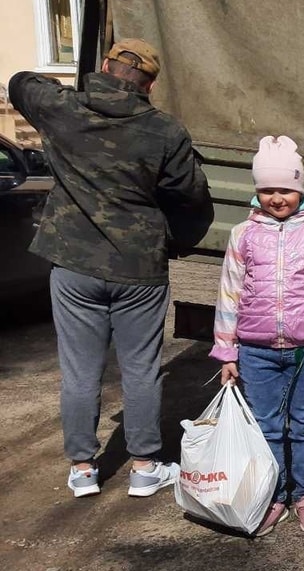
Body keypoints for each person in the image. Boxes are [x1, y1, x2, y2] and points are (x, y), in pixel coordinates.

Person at [8, 39, 214, 499]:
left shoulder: (62, 109)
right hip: (139, 268)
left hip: (75, 265)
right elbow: (191, 198)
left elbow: (21, 82)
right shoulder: (165, 130)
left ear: (105, 66)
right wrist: (173, 241)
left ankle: (83, 469)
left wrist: (79, 89)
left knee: (80, 372)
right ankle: (144, 467)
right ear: (151, 84)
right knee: (141, 368)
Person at [212, 136, 304, 535]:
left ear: (301, 188)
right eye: (268, 190)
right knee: (267, 426)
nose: (277, 198)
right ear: (256, 190)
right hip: (256, 350)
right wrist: (227, 352)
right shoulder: (242, 233)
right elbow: (229, 293)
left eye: (286, 190)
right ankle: (274, 494)